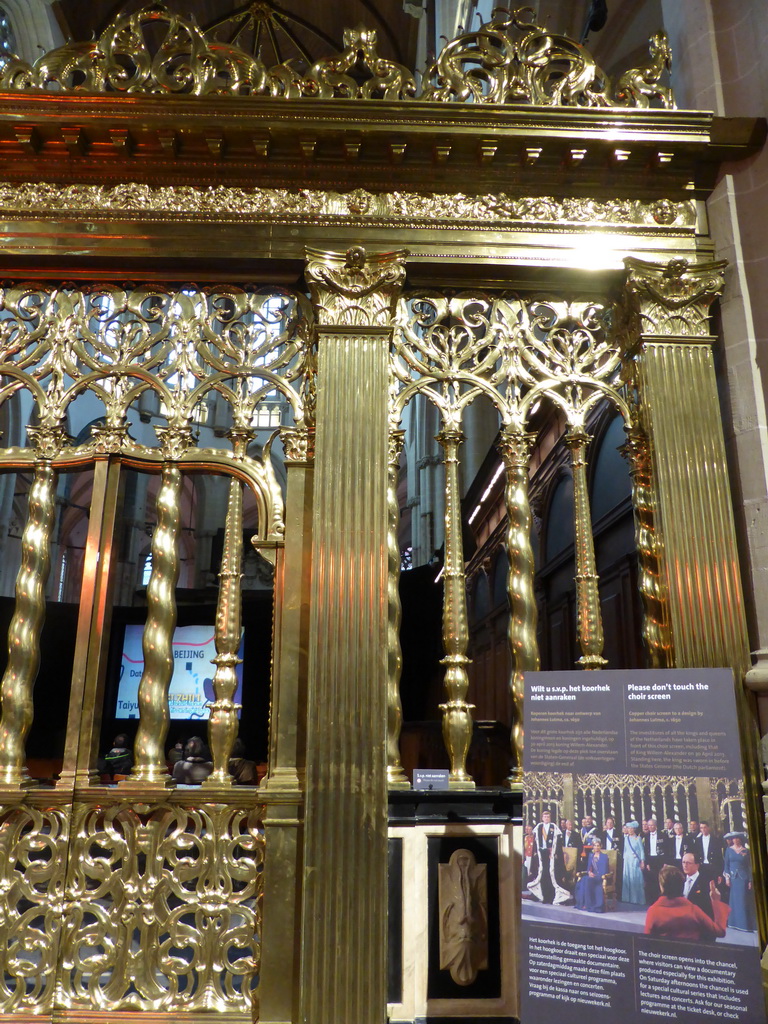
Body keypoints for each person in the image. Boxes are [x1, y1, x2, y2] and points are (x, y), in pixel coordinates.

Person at [644, 865, 728, 941]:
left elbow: (646, 943)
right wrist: (716, 901)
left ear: (662, 886)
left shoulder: (653, 911)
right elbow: (719, 932)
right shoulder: (693, 910)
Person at [527, 810, 572, 906]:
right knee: (543, 875)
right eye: (545, 817)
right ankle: (544, 897)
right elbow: (535, 842)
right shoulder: (538, 827)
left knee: (550, 875)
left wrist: (555, 853)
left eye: (548, 817)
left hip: (551, 855)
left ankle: (551, 897)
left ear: (550, 818)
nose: (546, 818)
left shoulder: (554, 827)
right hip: (541, 854)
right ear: (542, 818)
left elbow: (558, 844)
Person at [723, 832, 757, 931]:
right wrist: (727, 878)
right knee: (734, 900)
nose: (736, 840)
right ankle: (734, 923)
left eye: (738, 838)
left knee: (743, 900)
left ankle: (744, 924)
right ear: (732, 840)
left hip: (743, 878)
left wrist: (750, 880)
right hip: (733, 878)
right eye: (734, 838)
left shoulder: (746, 851)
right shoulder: (728, 850)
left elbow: (749, 866)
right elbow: (726, 865)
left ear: (740, 839)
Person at [575, 837, 609, 913]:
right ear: (593, 847)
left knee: (587, 880)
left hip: (600, 877)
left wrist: (596, 875)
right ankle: (584, 903)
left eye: (598, 845)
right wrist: (589, 872)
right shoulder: (591, 856)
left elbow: (605, 869)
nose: (596, 847)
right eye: (595, 845)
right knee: (584, 879)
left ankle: (590, 904)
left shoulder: (604, 856)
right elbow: (589, 868)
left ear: (601, 846)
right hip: (591, 876)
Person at [681, 851, 713, 920]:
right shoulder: (679, 880)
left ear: (697, 865)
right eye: (683, 862)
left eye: (688, 863)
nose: (685, 865)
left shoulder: (705, 882)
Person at [622, 821, 646, 905]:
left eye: (631, 828)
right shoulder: (626, 838)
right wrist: (624, 859)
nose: (629, 830)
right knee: (627, 878)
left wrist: (642, 861)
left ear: (634, 829)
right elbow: (625, 850)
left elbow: (642, 851)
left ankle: (636, 899)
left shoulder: (638, 838)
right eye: (628, 828)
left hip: (635, 860)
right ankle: (626, 898)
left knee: (635, 878)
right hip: (627, 861)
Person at [643, 818, 665, 902]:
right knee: (650, 881)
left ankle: (660, 898)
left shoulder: (662, 835)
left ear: (655, 826)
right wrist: (647, 863)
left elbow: (667, 849)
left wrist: (665, 862)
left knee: (659, 879)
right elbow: (645, 850)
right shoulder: (646, 836)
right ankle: (651, 899)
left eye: (652, 825)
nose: (650, 827)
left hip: (659, 860)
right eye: (649, 825)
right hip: (650, 859)